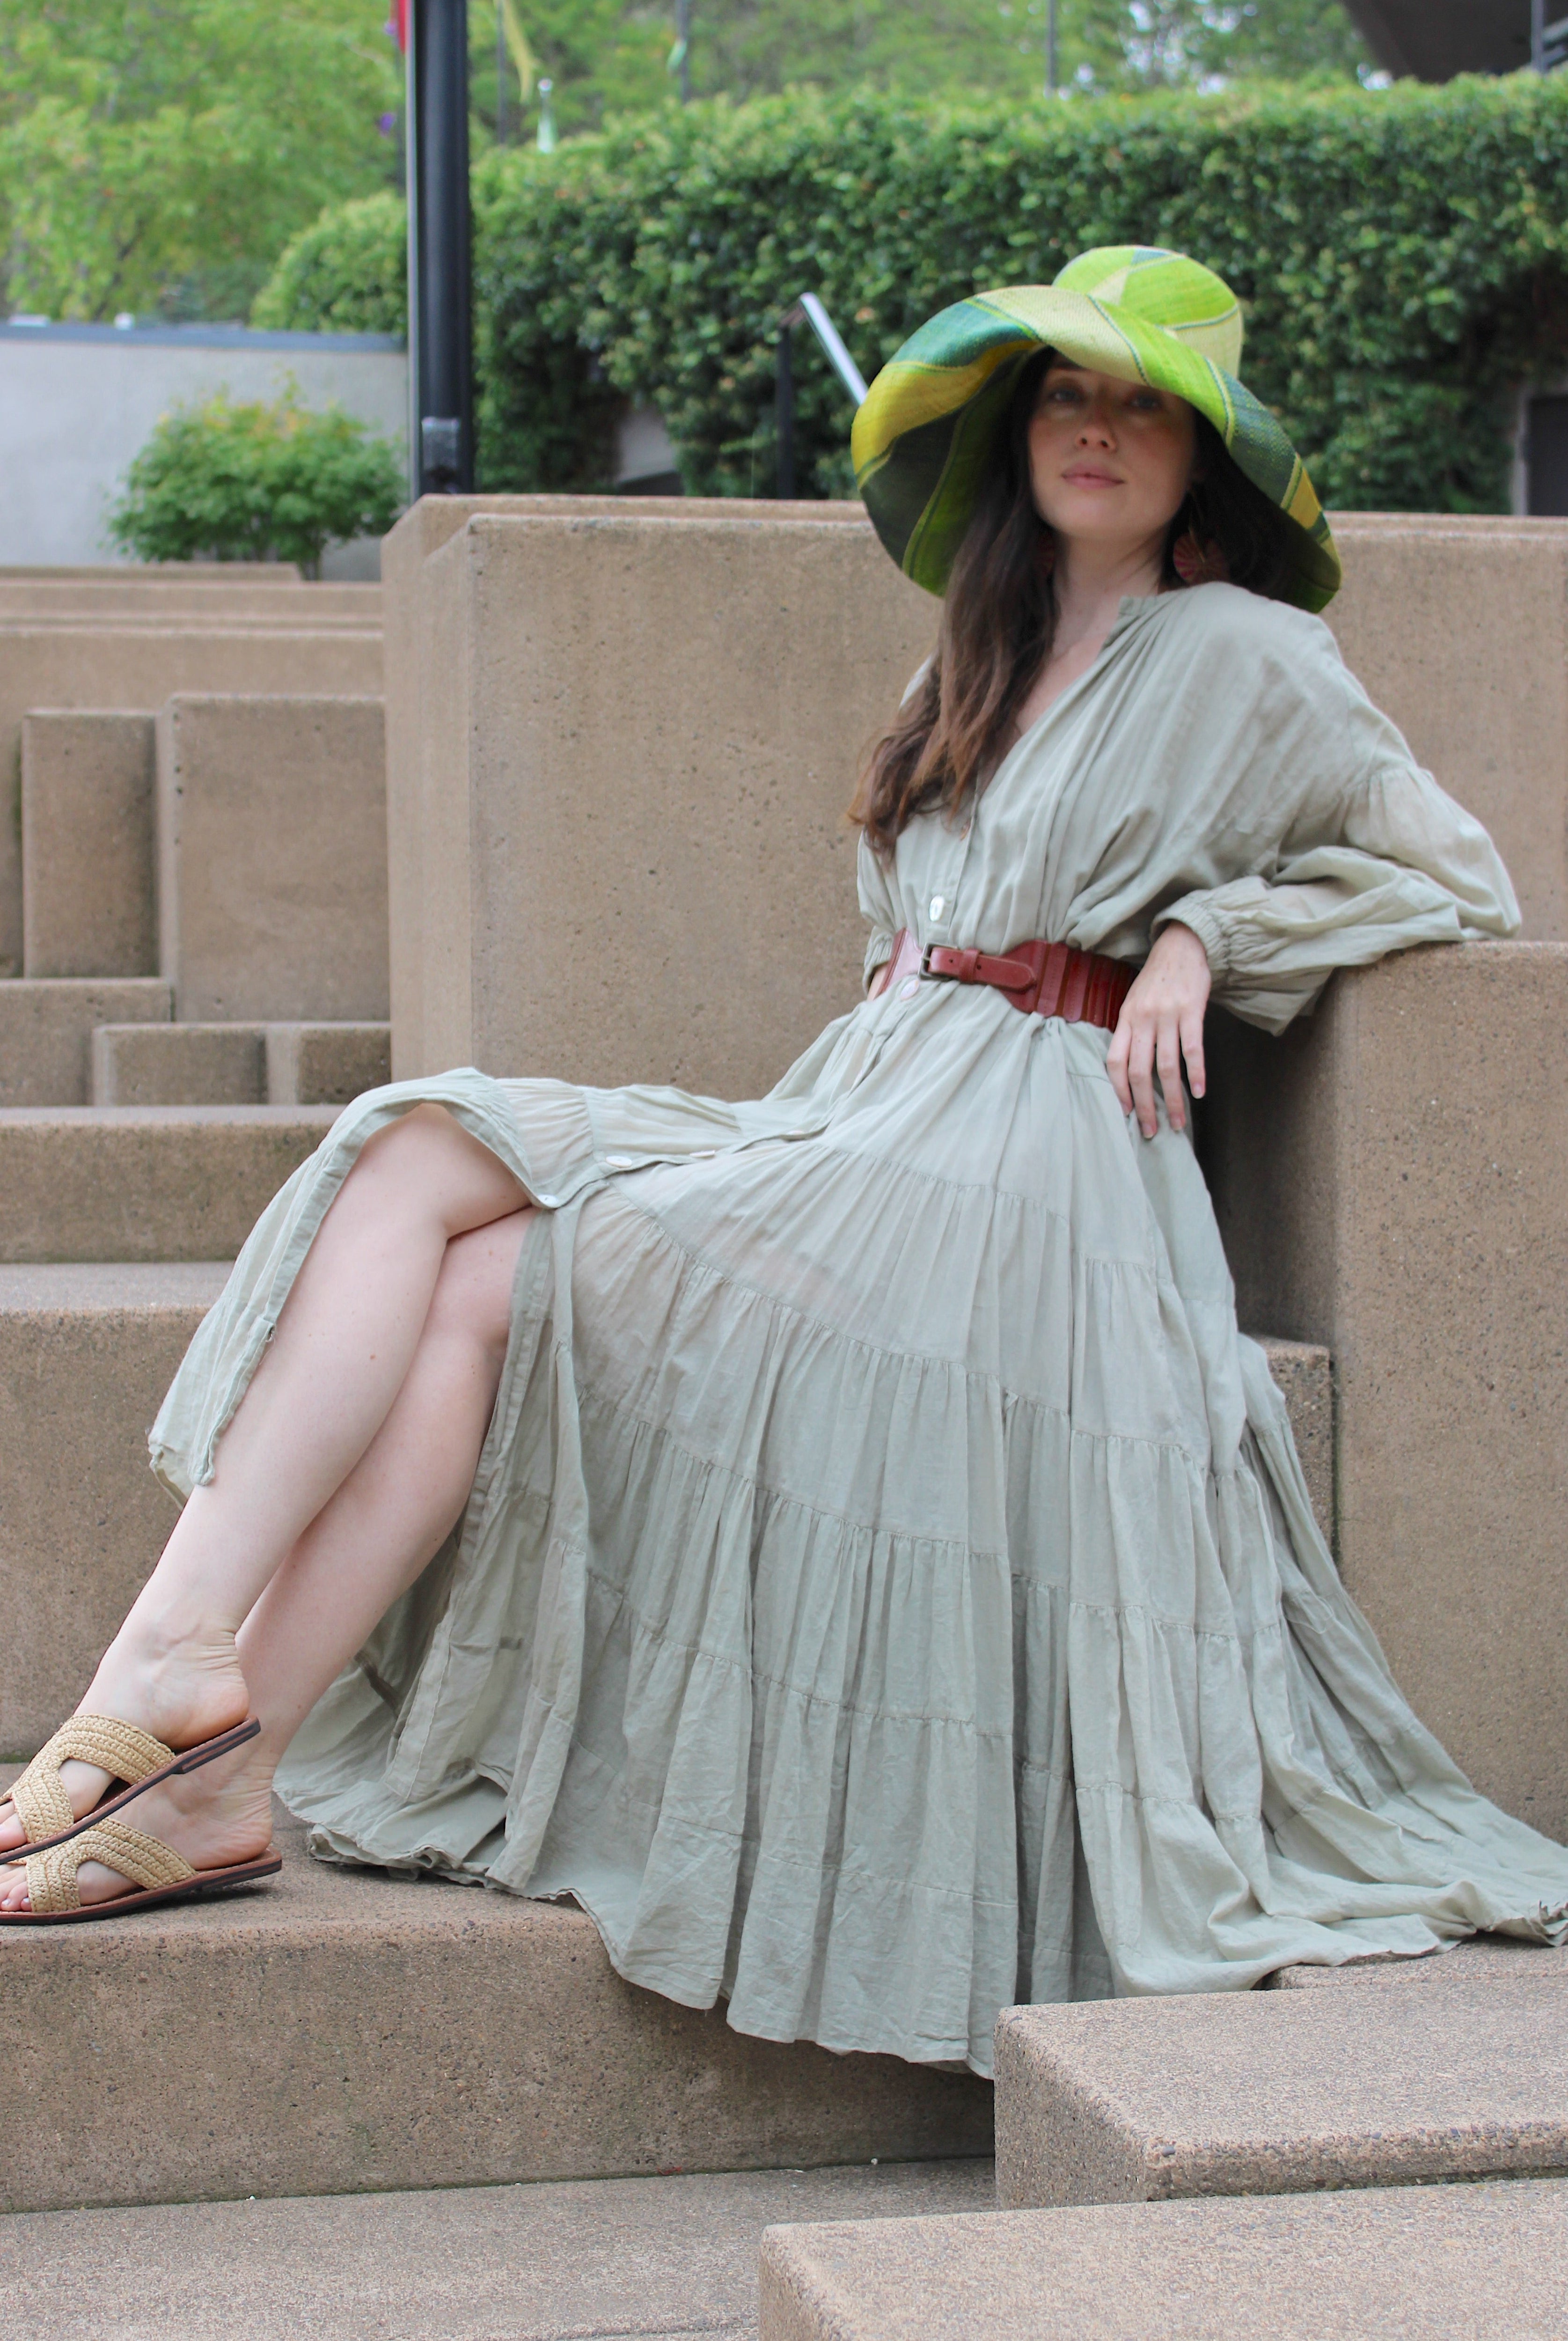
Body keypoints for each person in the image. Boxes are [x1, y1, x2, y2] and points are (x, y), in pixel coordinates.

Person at [4, 247, 1564, 2076]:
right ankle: (197, 1719)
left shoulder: (1247, 655)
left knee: (485, 1274)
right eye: (1066, 391)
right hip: (859, 1104)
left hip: (1018, 1170)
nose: (1095, 425)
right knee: (422, 1154)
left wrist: (1210, 937)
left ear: (1200, 461)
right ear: (1013, 432)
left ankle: (179, 1727)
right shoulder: (969, 658)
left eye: (1142, 401)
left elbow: (1454, 874)